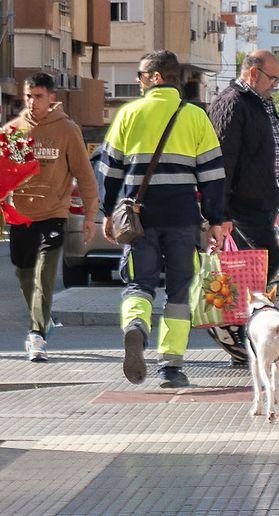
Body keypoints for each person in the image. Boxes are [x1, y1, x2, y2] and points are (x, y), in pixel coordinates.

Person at [95, 50, 230, 389]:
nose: (139, 82)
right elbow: (213, 174)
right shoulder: (196, 117)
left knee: (139, 283)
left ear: (155, 77)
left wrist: (107, 212)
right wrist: (215, 219)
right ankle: (171, 366)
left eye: (141, 76)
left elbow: (109, 171)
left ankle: (136, 328)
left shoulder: (128, 114)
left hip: (138, 219)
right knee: (180, 292)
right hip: (183, 217)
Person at [4, 72, 99, 362]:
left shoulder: (68, 130)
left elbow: (84, 174)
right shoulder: (12, 129)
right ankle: (43, 318)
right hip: (20, 213)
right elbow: (0, 173)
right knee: (24, 272)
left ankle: (37, 335)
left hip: (55, 212)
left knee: (45, 274)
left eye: (39, 96)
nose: (33, 102)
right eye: (29, 96)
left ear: (52, 98)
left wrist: (89, 214)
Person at [205, 49, 279, 367]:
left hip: (261, 206)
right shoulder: (232, 102)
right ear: (253, 74)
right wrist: (220, 214)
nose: (275, 84)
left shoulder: (259, 101)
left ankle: (250, 339)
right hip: (240, 210)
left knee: (258, 273)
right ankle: (240, 338)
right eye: (272, 78)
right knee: (261, 270)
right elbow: (221, 162)